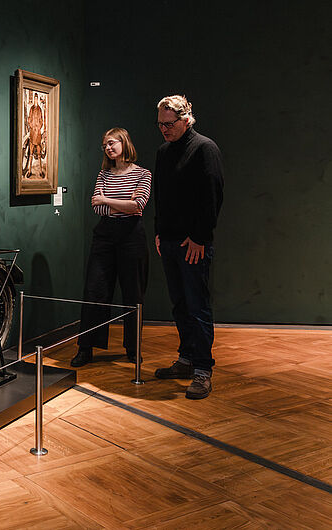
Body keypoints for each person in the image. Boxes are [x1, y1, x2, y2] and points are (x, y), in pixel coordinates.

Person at [152, 95, 224, 399]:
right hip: (168, 241)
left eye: (170, 124)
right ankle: (185, 359)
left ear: (186, 119)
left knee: (197, 307)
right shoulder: (163, 152)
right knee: (180, 305)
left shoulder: (205, 148)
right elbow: (161, 195)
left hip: (192, 242)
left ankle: (202, 370)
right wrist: (158, 232)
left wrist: (199, 237)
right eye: (160, 125)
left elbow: (212, 196)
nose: (165, 129)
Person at [71, 128, 151, 367]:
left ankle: (132, 348)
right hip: (104, 236)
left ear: (124, 143)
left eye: (112, 143)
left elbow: (138, 206)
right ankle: (86, 348)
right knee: (94, 291)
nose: (108, 148)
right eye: (105, 145)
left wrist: (107, 200)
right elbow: (97, 208)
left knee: (133, 294)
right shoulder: (103, 175)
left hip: (132, 237)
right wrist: (120, 205)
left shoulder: (143, 174)